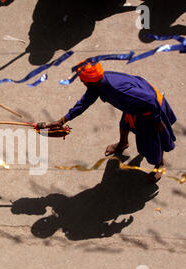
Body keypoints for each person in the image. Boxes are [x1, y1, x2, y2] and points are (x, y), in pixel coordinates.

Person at [37, 61, 177, 182]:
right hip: (133, 108)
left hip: (151, 112)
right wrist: (61, 121)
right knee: (124, 124)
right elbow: (83, 104)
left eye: (82, 79)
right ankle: (123, 143)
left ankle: (159, 164)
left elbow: (151, 100)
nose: (81, 81)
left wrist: (158, 121)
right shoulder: (98, 84)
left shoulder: (117, 89)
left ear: (89, 82)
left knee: (152, 144)